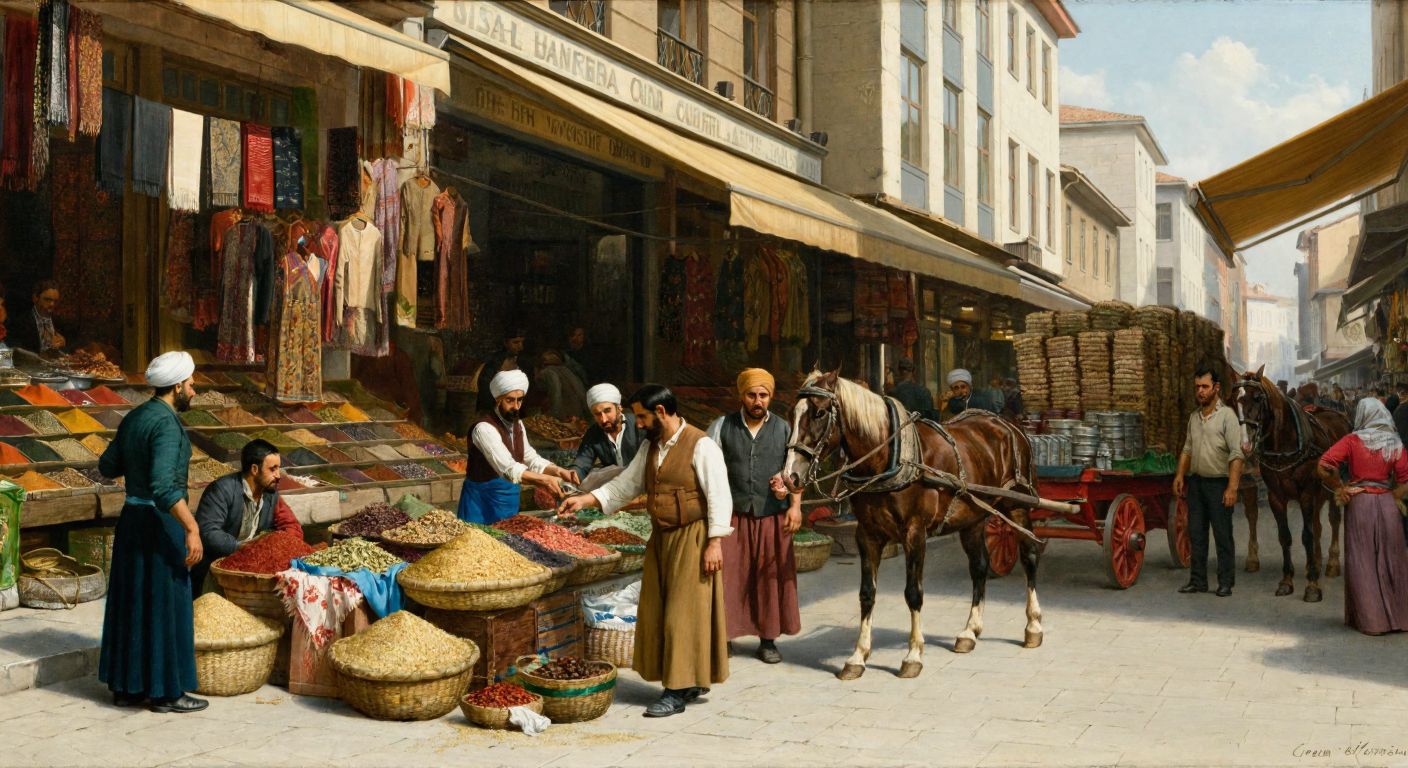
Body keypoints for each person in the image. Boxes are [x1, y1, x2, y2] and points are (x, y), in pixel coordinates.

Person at [558, 384, 732, 718]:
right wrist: (585, 499)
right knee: (659, 608)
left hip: (693, 536)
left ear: (661, 413)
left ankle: (676, 691)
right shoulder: (651, 446)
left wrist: (715, 542)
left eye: (641, 416)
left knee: (683, 613)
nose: (636, 424)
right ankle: (689, 679)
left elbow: (720, 496)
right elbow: (626, 486)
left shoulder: (702, 445)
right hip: (661, 537)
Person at [97, 351, 206, 713]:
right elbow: (163, 487)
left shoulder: (136, 417)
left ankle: (128, 687)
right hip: (161, 525)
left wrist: (134, 459)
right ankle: (165, 692)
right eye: (191, 383)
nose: (194, 388)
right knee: (166, 603)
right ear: (177, 386)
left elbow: (107, 465)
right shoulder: (167, 425)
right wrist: (190, 527)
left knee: (134, 603)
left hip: (132, 520)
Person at [707, 369, 801, 664]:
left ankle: (768, 640)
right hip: (732, 515)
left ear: (770, 397)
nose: (757, 401)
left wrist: (792, 499)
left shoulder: (785, 429)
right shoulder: (721, 426)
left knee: (768, 578)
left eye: (763, 395)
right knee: (729, 577)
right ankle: (724, 638)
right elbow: (707, 469)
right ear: (742, 396)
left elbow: (797, 472)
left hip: (771, 515)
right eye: (751, 395)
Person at [1315, 398, 1408, 635]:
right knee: (1392, 560)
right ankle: (1398, 619)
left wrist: (1340, 488)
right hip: (1387, 506)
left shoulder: (1352, 441)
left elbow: (1323, 465)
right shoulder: (1394, 443)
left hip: (1360, 504)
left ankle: (1371, 622)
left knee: (1362, 562)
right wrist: (1392, 494)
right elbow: (1406, 481)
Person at [458, 370, 579, 524]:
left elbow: (529, 457)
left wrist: (558, 471)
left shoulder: (518, 424)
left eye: (519, 400)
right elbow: (508, 469)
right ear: (498, 399)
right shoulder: (484, 428)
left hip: (508, 499)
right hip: (481, 503)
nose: (516, 406)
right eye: (510, 400)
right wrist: (545, 480)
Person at [191, 439, 304, 595]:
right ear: (254, 469)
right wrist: (243, 548)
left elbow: (291, 526)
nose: (278, 475)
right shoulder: (222, 490)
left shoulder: (270, 494)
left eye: (279, 468)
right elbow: (208, 532)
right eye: (273, 469)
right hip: (216, 572)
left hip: (251, 570)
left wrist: (277, 546)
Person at [1173, 367, 1246, 597]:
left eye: (1205, 387)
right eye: (1197, 387)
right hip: (1196, 484)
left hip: (1219, 485)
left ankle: (1225, 582)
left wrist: (1232, 488)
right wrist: (1179, 475)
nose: (1200, 392)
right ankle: (1198, 581)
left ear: (1216, 388)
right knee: (1196, 534)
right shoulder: (1194, 417)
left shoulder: (1228, 417)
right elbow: (1187, 449)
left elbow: (1236, 455)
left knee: (1223, 535)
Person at [573, 383, 643, 483]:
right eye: (597, 414)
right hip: (613, 488)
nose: (604, 419)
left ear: (619, 408)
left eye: (607, 411)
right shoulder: (593, 433)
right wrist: (573, 474)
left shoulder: (638, 425)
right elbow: (582, 462)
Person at [475, 329, 530, 412]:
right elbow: (484, 385)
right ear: (506, 343)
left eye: (522, 342)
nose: (520, 347)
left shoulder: (525, 363)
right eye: (515, 342)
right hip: (493, 407)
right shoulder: (495, 361)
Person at [9, 279, 66, 355]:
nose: (52, 304)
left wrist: (64, 342)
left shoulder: (60, 321)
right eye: (47, 299)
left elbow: (74, 345)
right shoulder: (21, 322)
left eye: (55, 301)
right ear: (35, 298)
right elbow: (12, 351)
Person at [535, 349, 588, 422]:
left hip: (564, 413)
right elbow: (581, 391)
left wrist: (554, 413)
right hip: (577, 411)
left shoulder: (547, 372)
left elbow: (556, 393)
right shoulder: (566, 370)